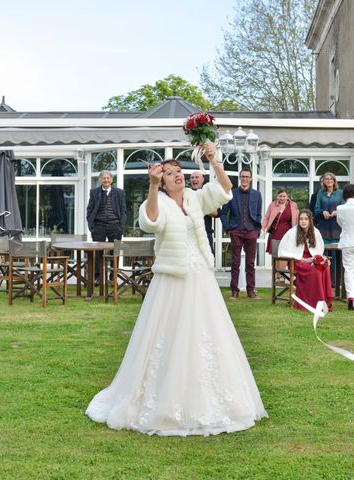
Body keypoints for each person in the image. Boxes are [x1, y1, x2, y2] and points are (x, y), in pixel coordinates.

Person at [86, 143, 268, 436]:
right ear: (163, 180)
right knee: (167, 336)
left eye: (179, 171)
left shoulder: (196, 199)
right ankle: (162, 399)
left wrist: (214, 161)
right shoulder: (158, 202)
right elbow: (151, 222)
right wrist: (153, 185)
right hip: (172, 279)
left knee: (207, 333)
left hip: (201, 278)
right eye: (169, 174)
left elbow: (225, 190)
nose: (177, 176)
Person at [278, 209, 333, 312]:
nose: (303, 221)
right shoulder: (292, 232)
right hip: (297, 262)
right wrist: (301, 259)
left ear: (310, 221)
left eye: (306, 219)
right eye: (301, 219)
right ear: (298, 220)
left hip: (311, 261)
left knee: (325, 268)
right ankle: (312, 302)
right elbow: (283, 250)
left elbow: (319, 250)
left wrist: (316, 259)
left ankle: (323, 301)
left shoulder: (315, 232)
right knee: (315, 271)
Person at [220, 168, 263, 299]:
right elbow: (222, 213)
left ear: (251, 178)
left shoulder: (257, 194)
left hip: (251, 231)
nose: (244, 179)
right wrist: (228, 228)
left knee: (250, 263)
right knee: (235, 262)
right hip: (236, 231)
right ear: (240, 178)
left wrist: (257, 229)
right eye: (242, 176)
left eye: (247, 176)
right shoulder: (231, 194)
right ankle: (234, 290)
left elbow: (258, 213)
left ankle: (250, 290)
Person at [86, 170, 127, 282]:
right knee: (98, 251)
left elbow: (123, 211)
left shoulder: (119, 192)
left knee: (115, 251)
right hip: (99, 225)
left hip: (115, 225)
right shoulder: (94, 192)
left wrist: (121, 225)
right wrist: (91, 226)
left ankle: (113, 275)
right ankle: (97, 276)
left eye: (108, 178)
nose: (106, 180)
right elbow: (89, 210)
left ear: (111, 180)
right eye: (103, 178)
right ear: (100, 180)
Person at [314, 172, 343, 285]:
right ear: (324, 181)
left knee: (337, 255)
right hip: (324, 228)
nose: (329, 180)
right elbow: (316, 210)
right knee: (325, 255)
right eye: (327, 179)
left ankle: (337, 281)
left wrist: (338, 211)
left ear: (334, 180)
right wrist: (323, 212)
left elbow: (345, 208)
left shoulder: (340, 193)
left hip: (337, 228)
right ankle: (325, 280)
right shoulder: (320, 194)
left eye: (331, 178)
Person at [260, 187, 298, 254]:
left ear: (287, 196)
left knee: (287, 254)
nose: (282, 198)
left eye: (284, 196)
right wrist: (263, 228)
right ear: (277, 196)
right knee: (275, 254)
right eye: (280, 196)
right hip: (275, 233)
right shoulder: (272, 205)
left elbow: (297, 218)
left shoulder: (293, 205)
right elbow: (266, 217)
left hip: (288, 233)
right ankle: (275, 265)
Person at [189, 170, 219, 255]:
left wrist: (200, 207)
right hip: (190, 233)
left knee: (208, 260)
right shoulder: (186, 194)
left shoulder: (208, 194)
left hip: (206, 233)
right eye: (192, 178)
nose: (194, 179)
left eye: (197, 177)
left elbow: (216, 213)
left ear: (202, 180)